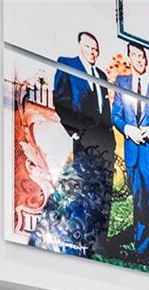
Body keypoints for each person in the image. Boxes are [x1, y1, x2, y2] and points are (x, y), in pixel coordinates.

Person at [48, 31, 114, 255]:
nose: (92, 52)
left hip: (104, 142)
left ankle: (99, 241)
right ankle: (80, 238)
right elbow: (60, 100)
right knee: (83, 189)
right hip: (82, 139)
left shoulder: (101, 75)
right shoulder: (67, 64)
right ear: (80, 47)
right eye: (88, 48)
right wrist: (74, 131)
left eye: (95, 49)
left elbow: (104, 109)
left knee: (103, 191)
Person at [111, 42, 149, 265]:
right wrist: (127, 129)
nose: (138, 59)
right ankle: (142, 250)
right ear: (129, 57)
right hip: (133, 158)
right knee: (138, 205)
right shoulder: (122, 84)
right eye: (134, 55)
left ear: (146, 59)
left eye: (142, 56)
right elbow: (116, 116)